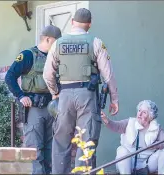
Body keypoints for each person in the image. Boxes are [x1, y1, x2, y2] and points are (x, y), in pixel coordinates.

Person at [42, 8, 119, 174]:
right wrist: (114, 99)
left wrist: (55, 93)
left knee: (61, 141)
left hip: (64, 95)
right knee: (87, 140)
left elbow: (47, 74)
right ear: (89, 24)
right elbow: (108, 74)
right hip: (87, 95)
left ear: (72, 22)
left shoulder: (57, 43)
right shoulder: (96, 42)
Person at [5, 25, 62, 174]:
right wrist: (21, 95)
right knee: (34, 148)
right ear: (48, 39)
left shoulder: (56, 58)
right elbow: (10, 76)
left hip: (52, 108)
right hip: (34, 108)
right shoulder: (28, 55)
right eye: (56, 42)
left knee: (50, 148)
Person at [101, 100, 164, 174]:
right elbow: (116, 126)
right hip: (128, 164)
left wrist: (158, 145)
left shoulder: (155, 128)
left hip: (147, 164)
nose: (139, 114)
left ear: (151, 116)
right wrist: (107, 120)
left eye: (144, 112)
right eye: (139, 110)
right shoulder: (130, 122)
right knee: (121, 150)